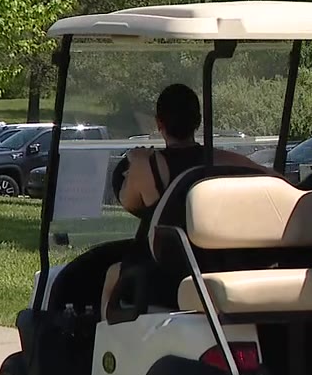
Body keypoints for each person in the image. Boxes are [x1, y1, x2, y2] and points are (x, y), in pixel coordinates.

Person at [101, 83, 268, 317]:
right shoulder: (221, 160)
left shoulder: (146, 165)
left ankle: (107, 350)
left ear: (160, 124)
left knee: (112, 275)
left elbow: (129, 202)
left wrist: (135, 159)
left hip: (163, 276)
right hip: (212, 264)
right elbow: (275, 179)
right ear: (197, 122)